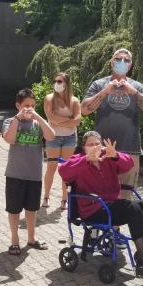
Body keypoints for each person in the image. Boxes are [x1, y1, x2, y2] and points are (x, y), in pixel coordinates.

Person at [58, 131, 143, 268]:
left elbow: (129, 164)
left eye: (97, 144)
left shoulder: (107, 157)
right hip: (93, 209)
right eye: (90, 144)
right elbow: (63, 172)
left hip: (112, 205)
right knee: (132, 208)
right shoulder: (78, 159)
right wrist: (86, 159)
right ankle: (142, 257)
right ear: (84, 147)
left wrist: (116, 155)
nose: (95, 147)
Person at [81, 48, 143, 199]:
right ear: (111, 62)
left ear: (130, 65)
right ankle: (104, 222)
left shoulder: (137, 86)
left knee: (125, 196)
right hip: (101, 150)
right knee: (101, 194)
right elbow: (84, 110)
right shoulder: (99, 84)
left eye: (126, 60)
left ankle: (117, 223)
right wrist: (105, 92)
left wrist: (134, 92)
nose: (122, 62)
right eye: (118, 59)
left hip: (129, 150)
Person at [2, 89, 55, 256]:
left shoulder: (38, 123)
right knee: (14, 210)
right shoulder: (10, 120)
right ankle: (14, 241)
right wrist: (18, 118)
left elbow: (51, 136)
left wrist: (38, 117)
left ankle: (32, 239)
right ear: (18, 105)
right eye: (26, 106)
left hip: (34, 175)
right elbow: (9, 139)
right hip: (14, 174)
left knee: (32, 209)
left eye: (33, 106)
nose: (29, 109)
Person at [42, 72, 81, 210]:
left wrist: (62, 121)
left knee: (66, 169)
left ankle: (64, 199)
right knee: (51, 168)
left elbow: (77, 121)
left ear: (66, 83)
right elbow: (51, 119)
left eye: (59, 81)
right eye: (55, 81)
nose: (56, 84)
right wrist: (69, 121)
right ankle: (46, 196)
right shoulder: (49, 98)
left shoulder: (75, 101)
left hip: (70, 138)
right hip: (53, 136)